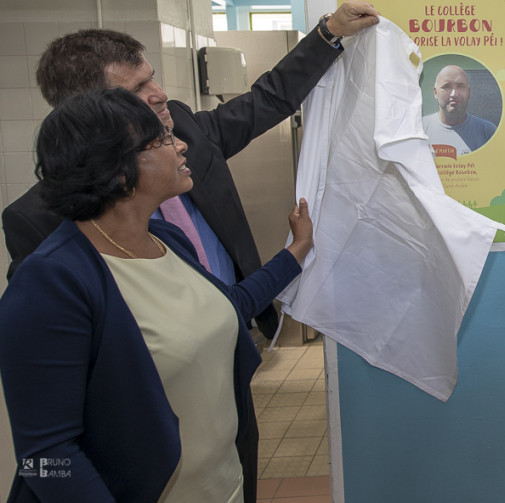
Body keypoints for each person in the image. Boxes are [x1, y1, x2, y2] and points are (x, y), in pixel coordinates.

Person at [0, 88, 313, 502]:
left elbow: (227, 307)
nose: (181, 144)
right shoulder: (52, 282)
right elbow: (45, 458)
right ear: (117, 169)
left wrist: (296, 251)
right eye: (163, 139)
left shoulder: (166, 239)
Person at [2, 0, 379, 342]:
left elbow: (268, 99)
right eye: (137, 89)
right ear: (90, 111)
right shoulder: (39, 220)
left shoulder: (183, 130)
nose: (160, 93)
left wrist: (328, 34)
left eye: (152, 76)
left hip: (233, 327)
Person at [422, 64, 497, 156]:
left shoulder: (488, 131)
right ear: (436, 93)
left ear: (468, 93)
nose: (454, 94)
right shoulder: (420, 129)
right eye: (447, 86)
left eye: (460, 86)